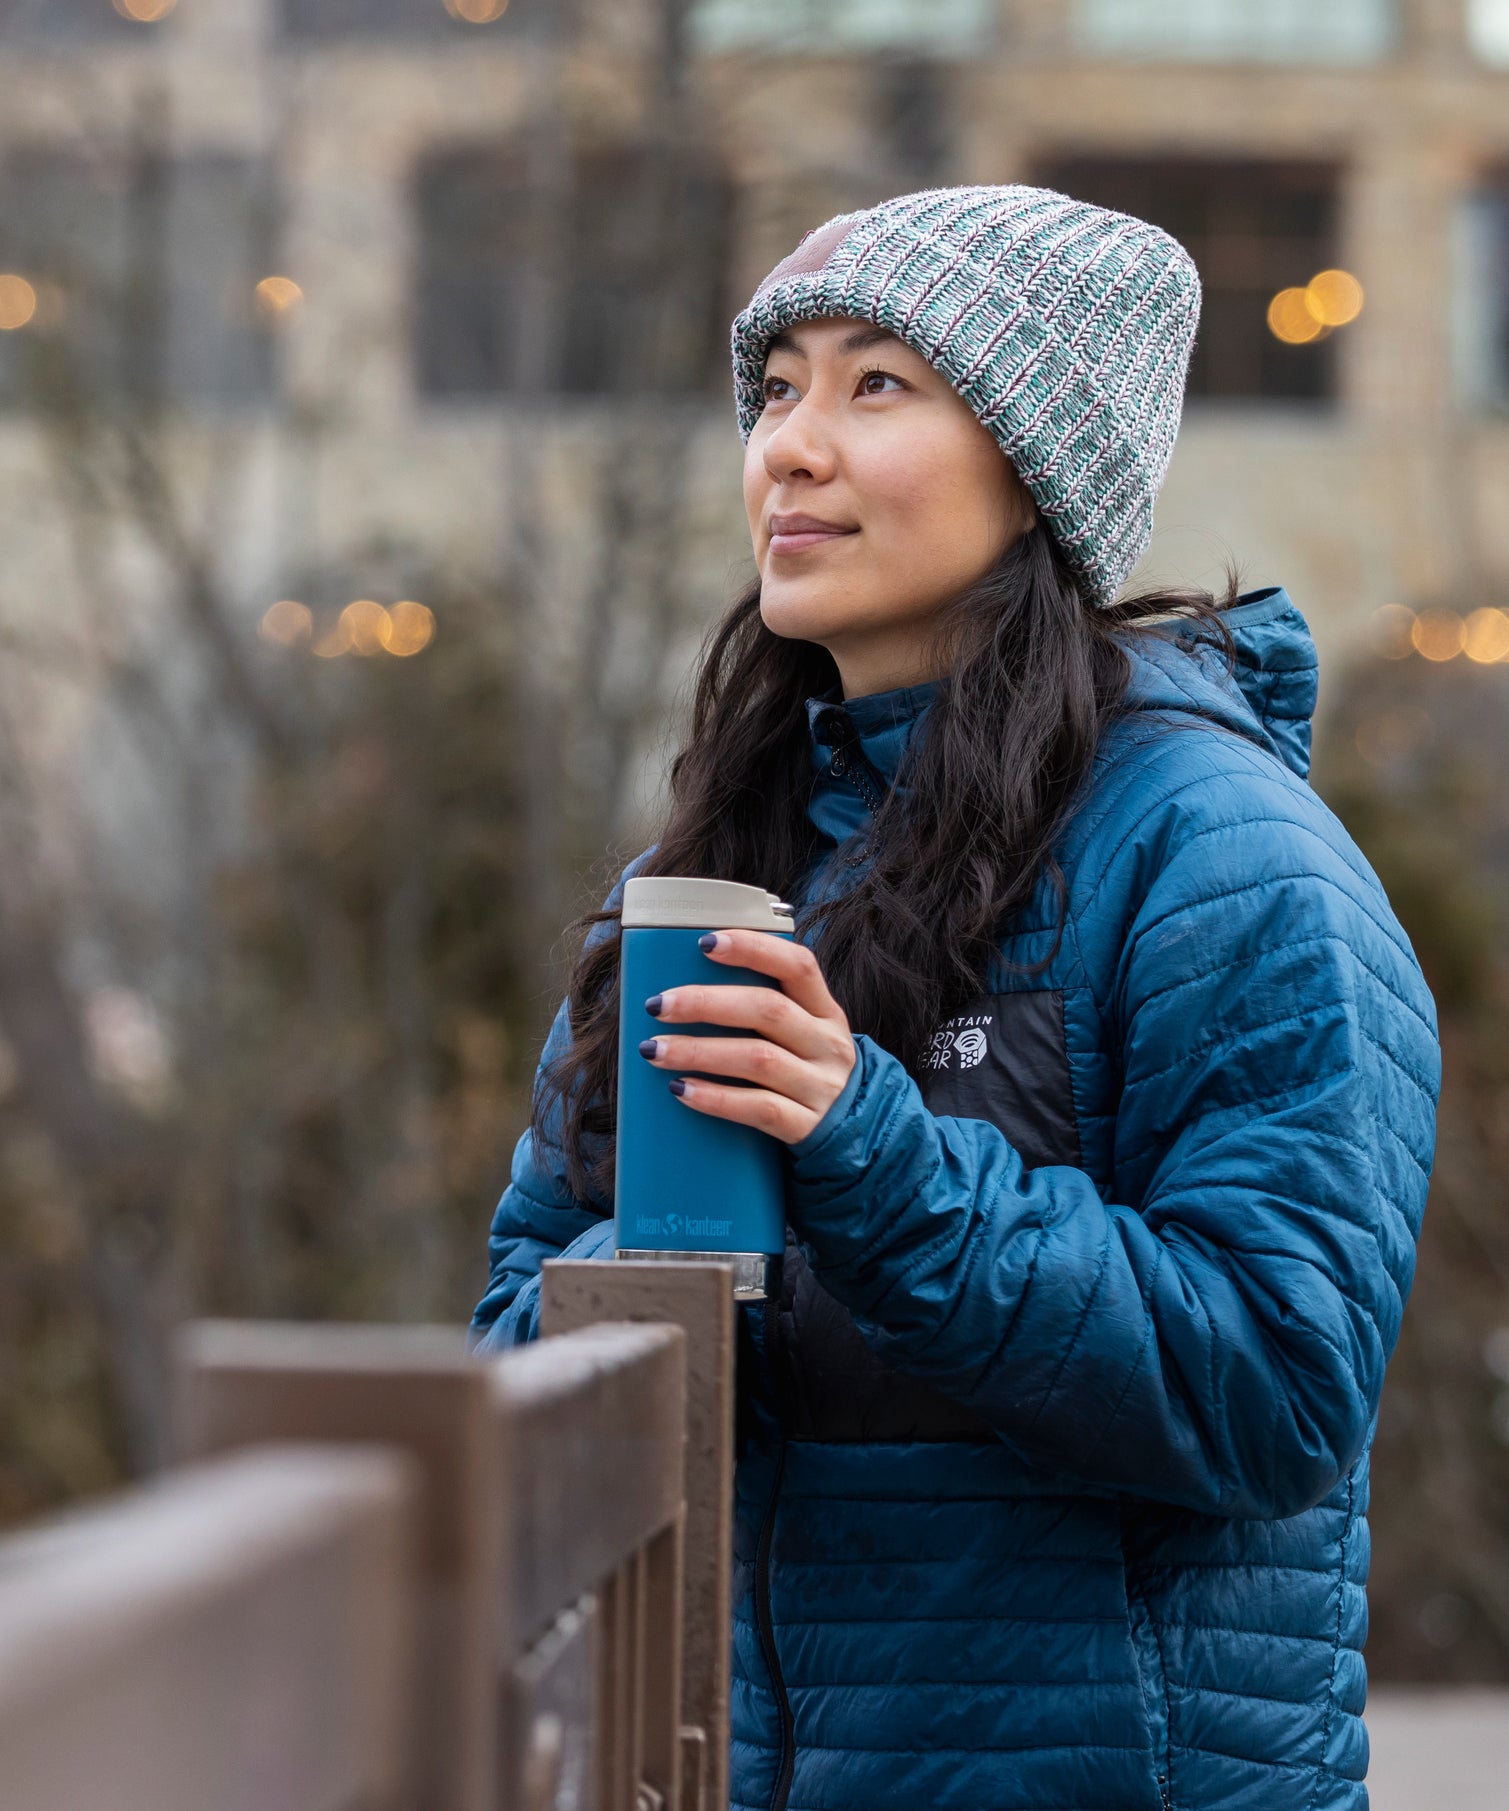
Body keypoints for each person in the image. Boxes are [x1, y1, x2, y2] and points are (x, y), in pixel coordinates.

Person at [471, 186, 1440, 1811]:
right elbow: (513, 1322)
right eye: (776, 387)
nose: (789, 445)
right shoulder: (718, 862)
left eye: (875, 386)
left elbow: (1277, 1394)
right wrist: (653, 1268)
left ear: (1033, 463)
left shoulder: (1223, 858)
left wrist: (874, 1159)